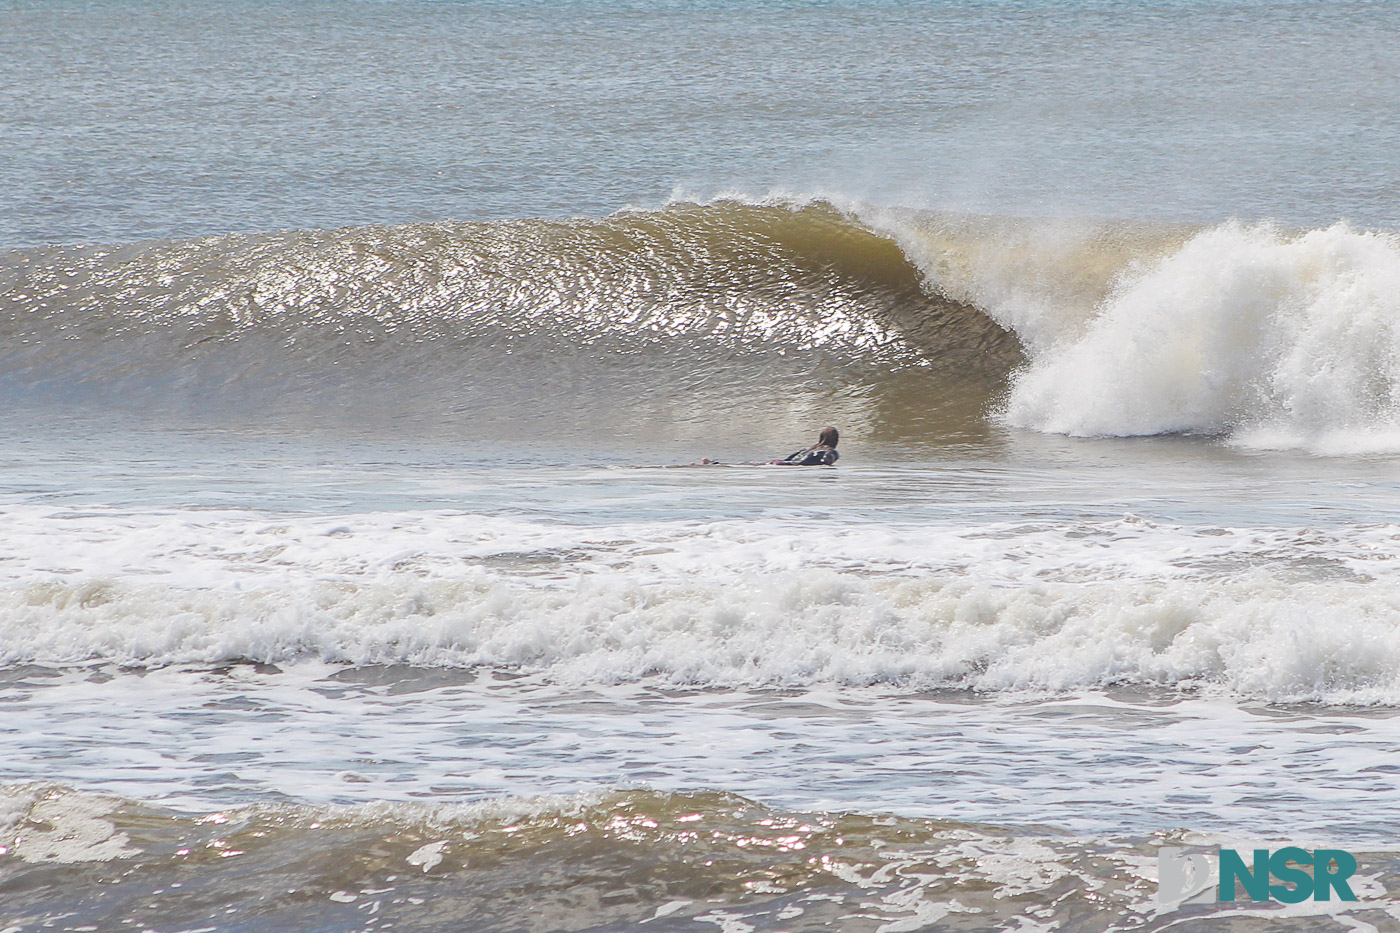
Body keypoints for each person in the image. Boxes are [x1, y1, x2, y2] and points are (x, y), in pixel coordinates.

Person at [772, 426, 839, 466]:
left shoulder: (808, 449)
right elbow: (825, 461)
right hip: (799, 465)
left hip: (786, 463)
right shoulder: (831, 451)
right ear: (836, 439)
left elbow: (789, 458)